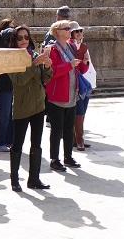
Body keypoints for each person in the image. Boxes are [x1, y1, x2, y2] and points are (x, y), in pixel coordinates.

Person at [8, 25, 53, 191]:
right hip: (22, 107)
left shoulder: (34, 54)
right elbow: (19, 80)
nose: (23, 41)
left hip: (38, 105)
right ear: (14, 40)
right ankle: (14, 179)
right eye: (20, 38)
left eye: (26, 37)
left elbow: (45, 79)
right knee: (17, 144)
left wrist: (47, 67)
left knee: (37, 143)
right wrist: (34, 64)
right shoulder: (11, 58)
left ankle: (34, 178)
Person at [44, 20, 88, 172]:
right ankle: (55, 159)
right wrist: (70, 65)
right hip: (57, 95)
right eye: (67, 29)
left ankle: (68, 156)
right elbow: (52, 72)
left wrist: (85, 63)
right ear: (58, 32)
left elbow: (79, 70)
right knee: (57, 129)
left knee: (69, 128)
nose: (70, 31)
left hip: (71, 94)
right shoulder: (52, 49)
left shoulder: (70, 46)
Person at [0, 19, 17, 152]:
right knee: (5, 113)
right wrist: (12, 31)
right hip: (3, 83)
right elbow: (1, 37)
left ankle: (9, 140)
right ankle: (0, 142)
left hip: (12, 83)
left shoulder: (13, 45)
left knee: (11, 114)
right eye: (11, 28)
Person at [69, 21, 93, 151]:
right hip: (73, 81)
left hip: (80, 79)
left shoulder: (82, 47)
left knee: (82, 111)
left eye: (80, 31)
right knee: (79, 111)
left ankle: (77, 138)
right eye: (76, 31)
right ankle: (79, 139)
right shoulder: (70, 46)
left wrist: (85, 62)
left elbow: (83, 70)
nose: (79, 33)